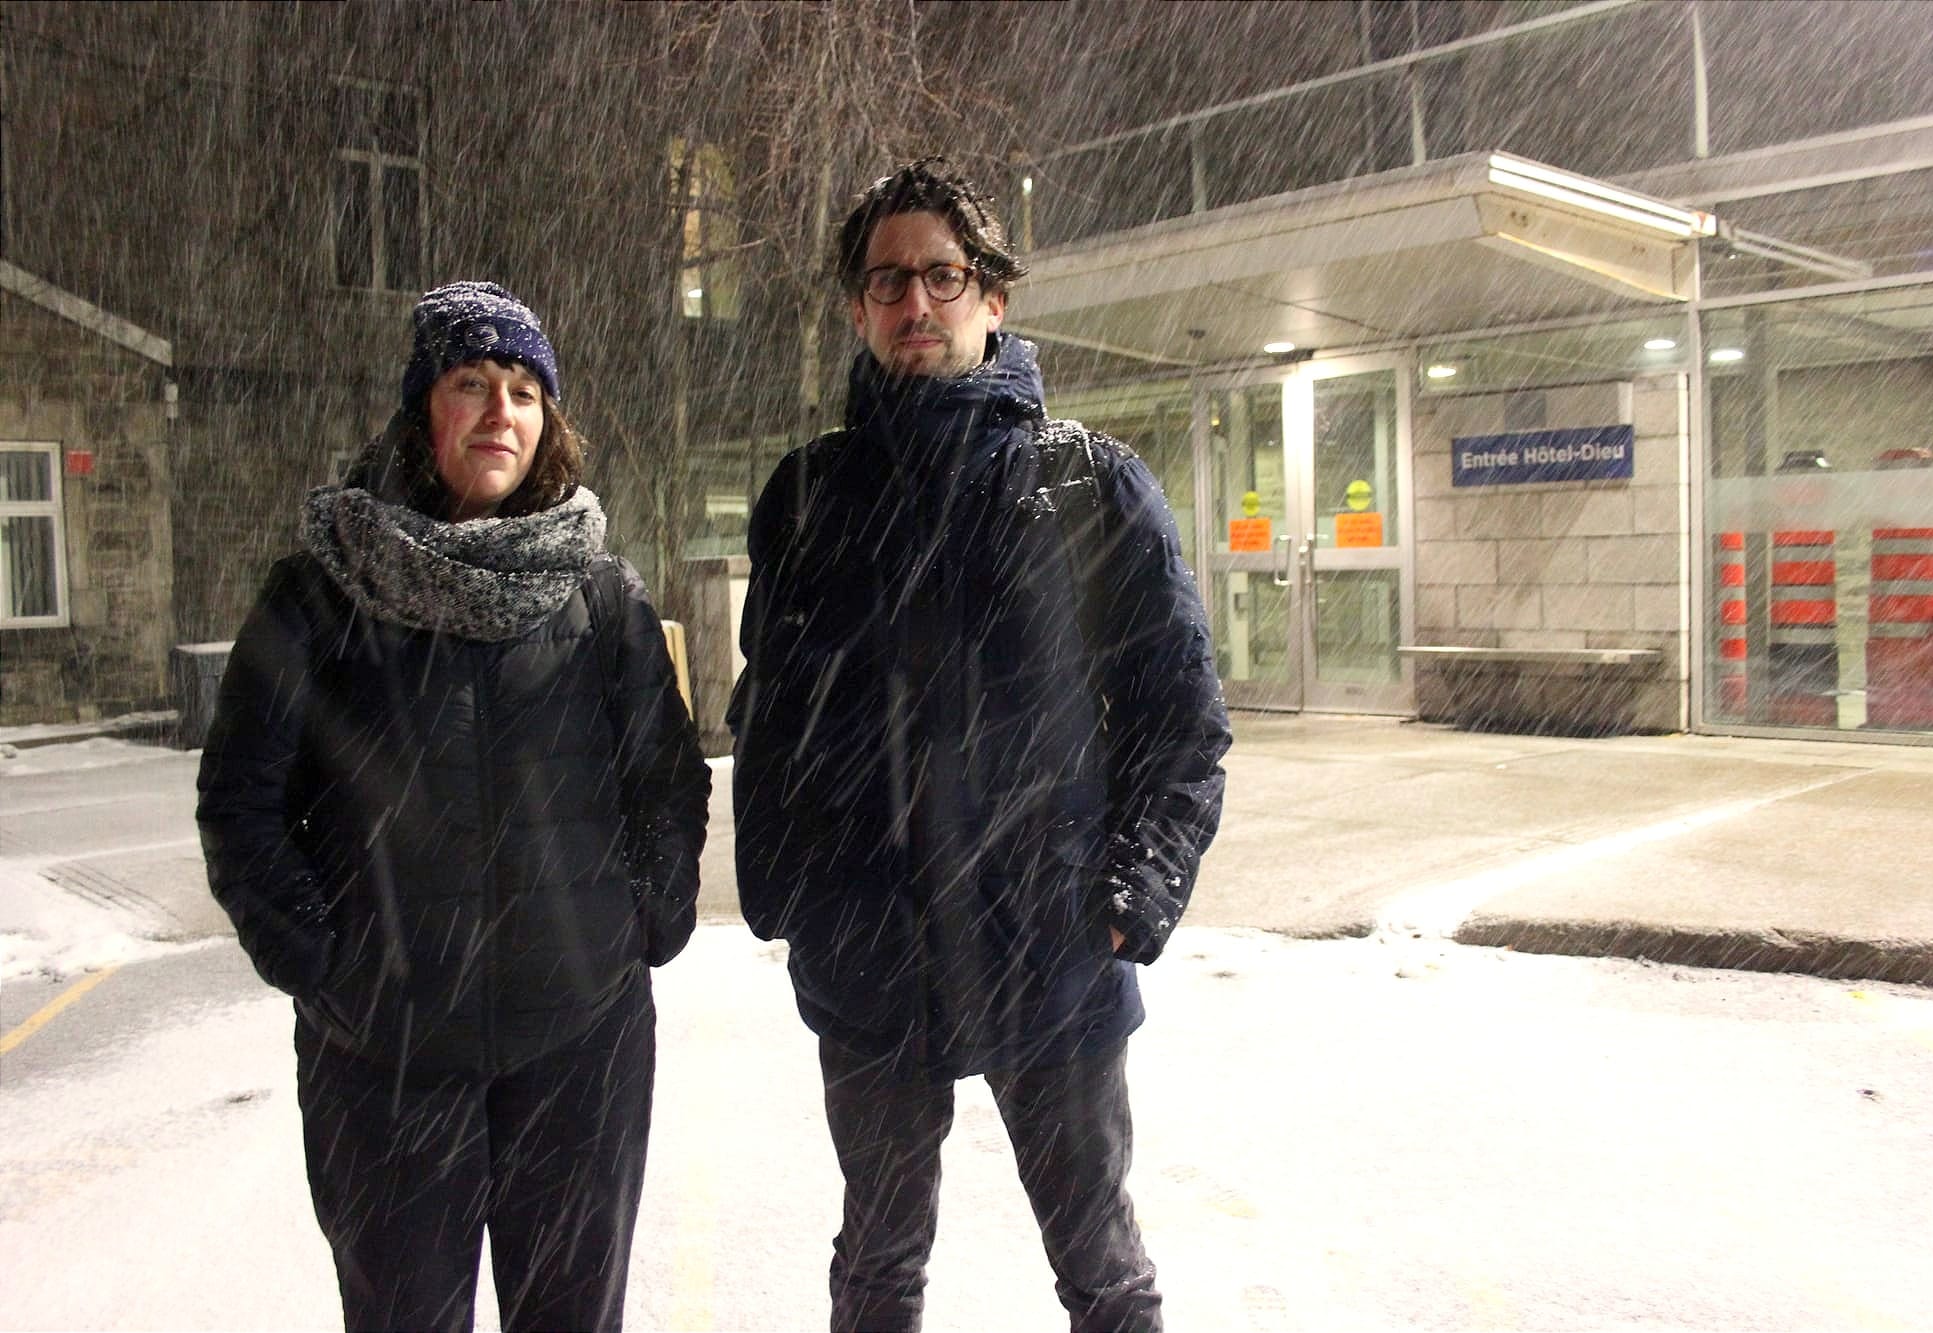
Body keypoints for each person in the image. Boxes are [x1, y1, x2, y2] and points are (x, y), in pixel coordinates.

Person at [729, 159, 1230, 1333]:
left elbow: (1181, 719)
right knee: (877, 1265)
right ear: (859, 307)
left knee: (1100, 1268)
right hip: (870, 955)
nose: (916, 304)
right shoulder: (808, 496)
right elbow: (770, 713)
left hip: (1048, 946)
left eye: (942, 277)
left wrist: (1129, 893)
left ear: (992, 298)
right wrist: (785, 889)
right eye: (888, 281)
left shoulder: (1086, 486)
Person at [196, 281, 708, 1332]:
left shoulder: (599, 595)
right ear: (419, 411)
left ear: (548, 422)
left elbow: (665, 778)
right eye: (470, 383)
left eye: (523, 392)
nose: (499, 412)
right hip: (384, 1062)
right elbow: (240, 797)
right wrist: (317, 961)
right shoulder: (322, 591)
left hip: (578, 1046)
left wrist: (642, 925)